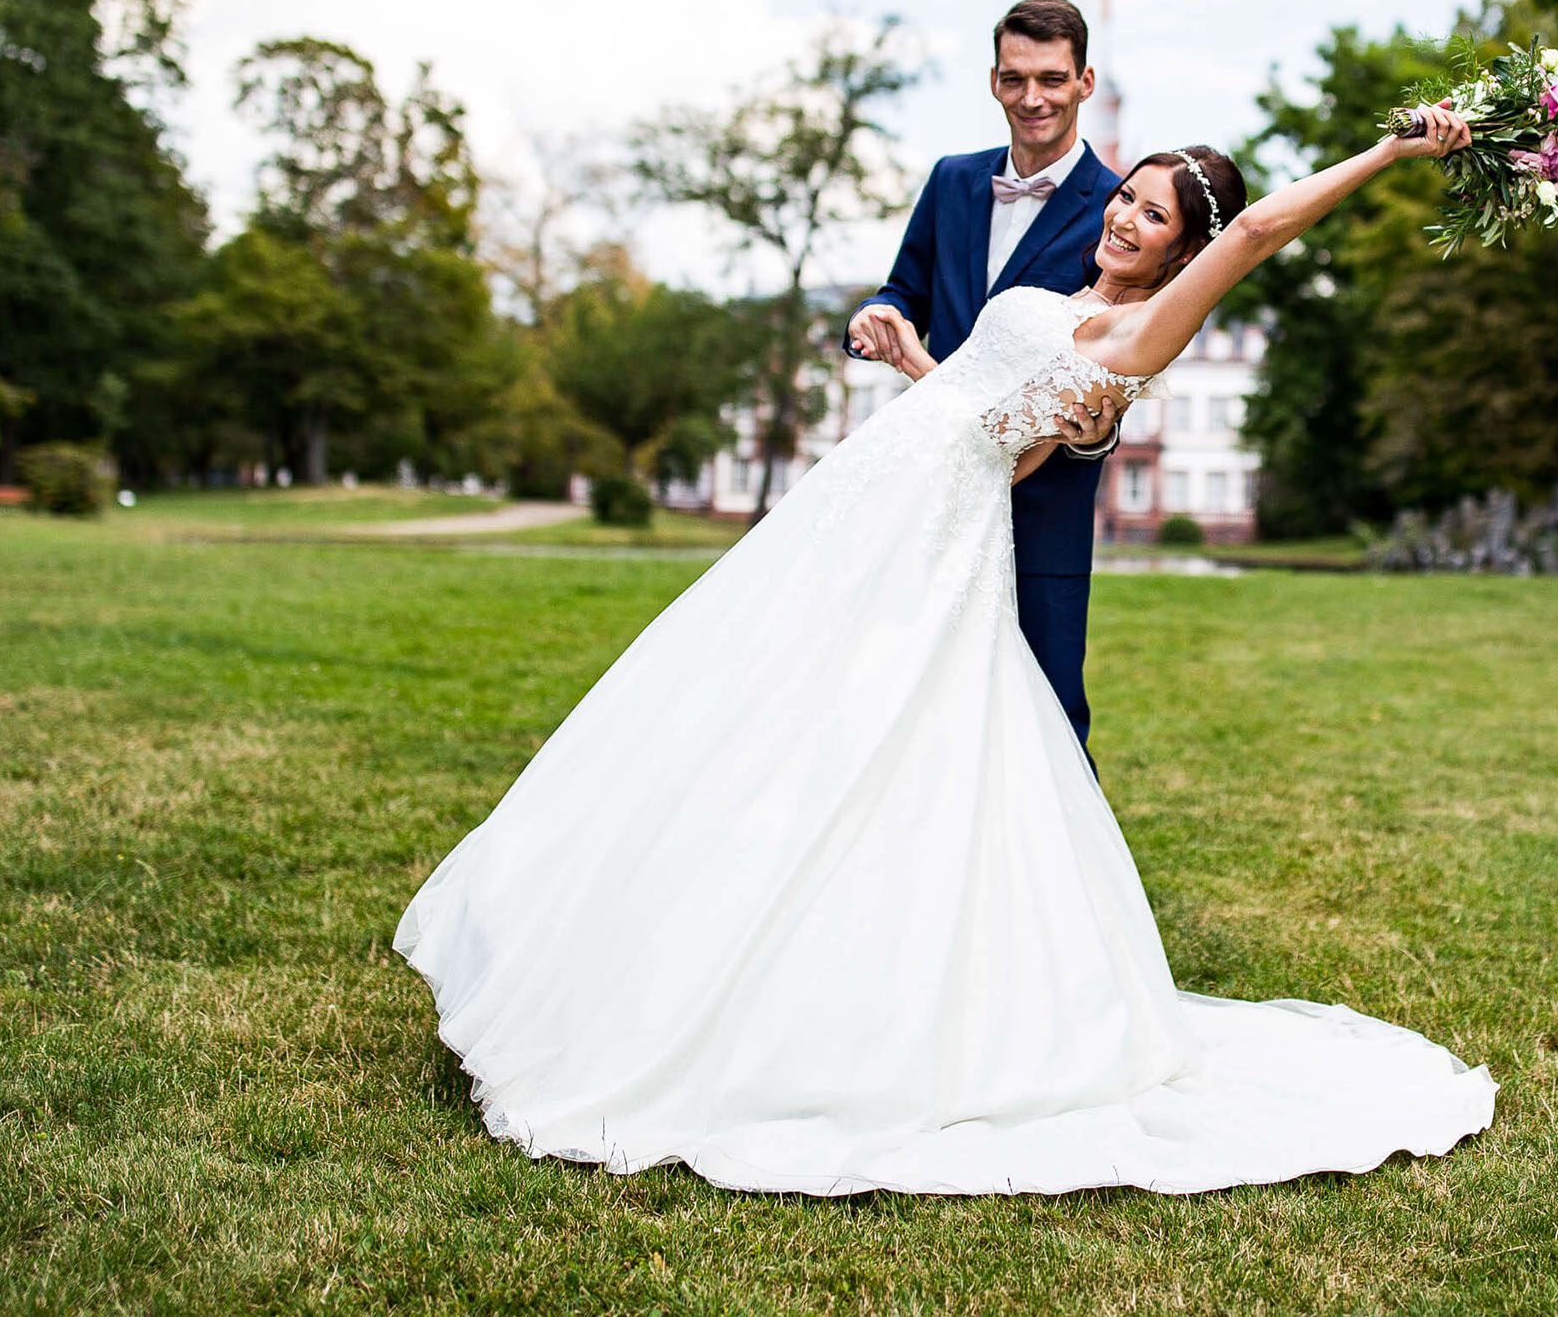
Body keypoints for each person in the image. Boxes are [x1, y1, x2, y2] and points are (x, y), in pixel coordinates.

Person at [396, 103, 1494, 1198]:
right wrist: (916, 353)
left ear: (1183, 248)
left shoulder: (1143, 331)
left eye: (1150, 212)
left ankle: (803, 1008)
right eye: (1123, 195)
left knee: (878, 741)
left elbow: (1254, 232)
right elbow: (994, 442)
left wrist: (1396, 149)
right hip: (872, 508)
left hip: (931, 547)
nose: (1119, 216)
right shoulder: (1065, 306)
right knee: (763, 713)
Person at [849, 0, 1122, 753]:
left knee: (1047, 707)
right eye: (1013, 79)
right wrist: (874, 317)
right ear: (993, 81)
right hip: (931, 482)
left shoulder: (1116, 211)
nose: (1032, 98)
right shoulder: (950, 181)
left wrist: (1097, 437)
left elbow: (1126, 353)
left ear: (1084, 81)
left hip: (1046, 504)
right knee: (906, 688)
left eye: (1051, 79)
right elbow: (903, 288)